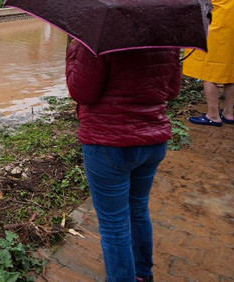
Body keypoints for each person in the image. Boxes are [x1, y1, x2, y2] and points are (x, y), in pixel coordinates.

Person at [66, 41, 182, 282]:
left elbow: (82, 92)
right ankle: (142, 274)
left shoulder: (96, 40)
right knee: (138, 209)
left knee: (113, 224)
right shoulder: (167, 38)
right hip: (152, 140)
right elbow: (171, 91)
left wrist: (73, 53)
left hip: (108, 143)